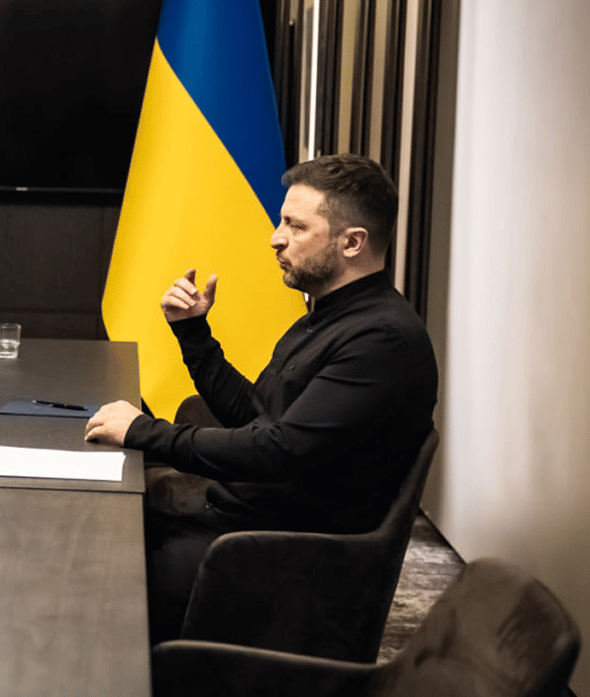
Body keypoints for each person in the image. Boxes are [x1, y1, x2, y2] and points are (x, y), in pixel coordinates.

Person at [84, 153, 438, 644]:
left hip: (277, 559)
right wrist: (193, 334)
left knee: (94, 572)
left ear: (353, 242)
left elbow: (276, 450)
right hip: (242, 524)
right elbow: (254, 415)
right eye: (281, 221)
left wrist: (144, 431)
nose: (275, 237)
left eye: (296, 225)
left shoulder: (381, 341)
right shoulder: (329, 317)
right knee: (94, 526)